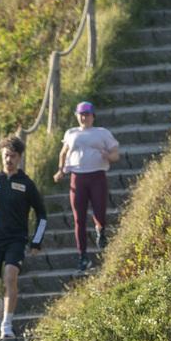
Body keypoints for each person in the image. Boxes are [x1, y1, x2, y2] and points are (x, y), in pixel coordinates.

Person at [0, 135, 48, 339]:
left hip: (16, 239)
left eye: (13, 156)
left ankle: (7, 322)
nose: (9, 160)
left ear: (20, 158)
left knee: (10, 276)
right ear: (1, 156)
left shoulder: (26, 184)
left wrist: (36, 241)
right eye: (6, 155)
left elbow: (42, 214)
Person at [53, 101, 119, 273]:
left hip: (97, 176)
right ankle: (82, 255)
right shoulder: (71, 133)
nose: (84, 118)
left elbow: (115, 154)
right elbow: (63, 153)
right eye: (81, 115)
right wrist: (60, 171)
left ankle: (100, 230)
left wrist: (108, 156)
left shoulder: (102, 133)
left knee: (99, 210)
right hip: (78, 177)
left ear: (93, 116)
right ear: (77, 116)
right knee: (78, 218)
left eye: (87, 115)